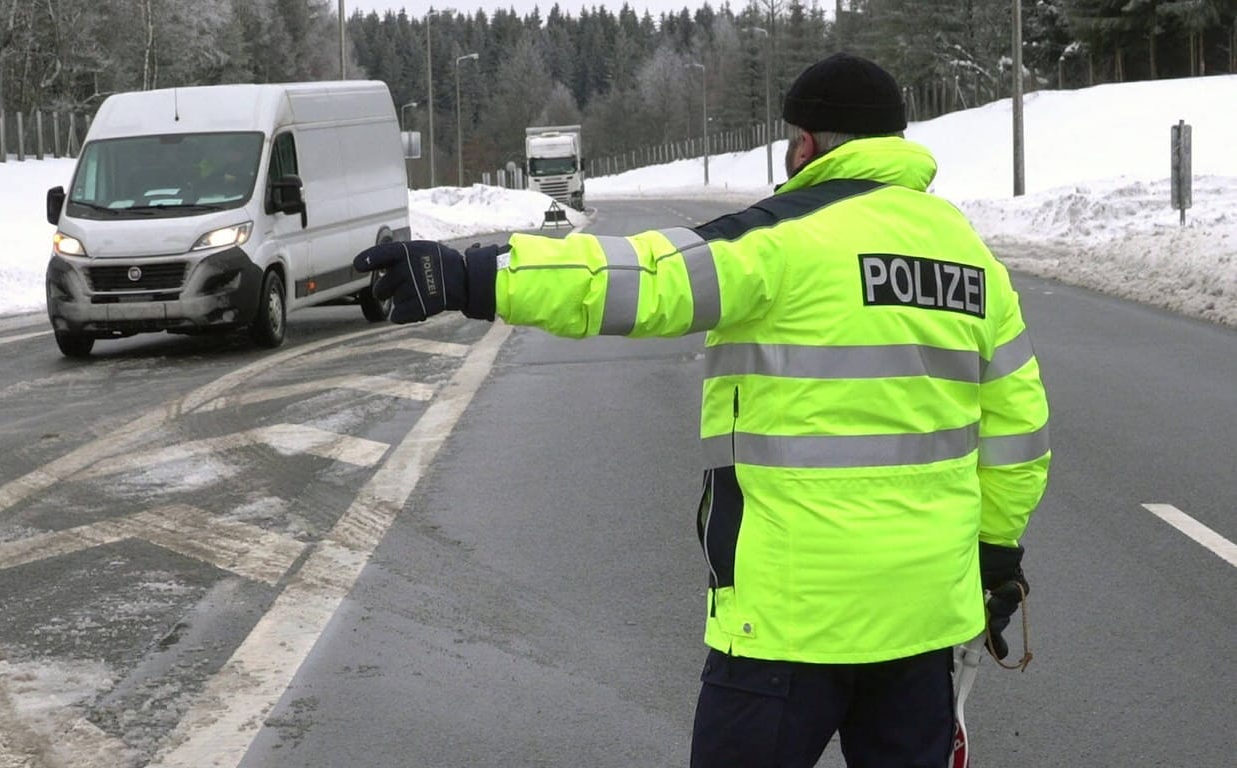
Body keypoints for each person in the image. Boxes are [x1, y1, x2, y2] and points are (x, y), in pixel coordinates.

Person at [353, 52, 1049, 768]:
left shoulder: (785, 238)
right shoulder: (972, 259)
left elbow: (640, 280)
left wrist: (474, 275)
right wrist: (997, 557)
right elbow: (1020, 432)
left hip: (789, 622)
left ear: (805, 144)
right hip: (927, 617)